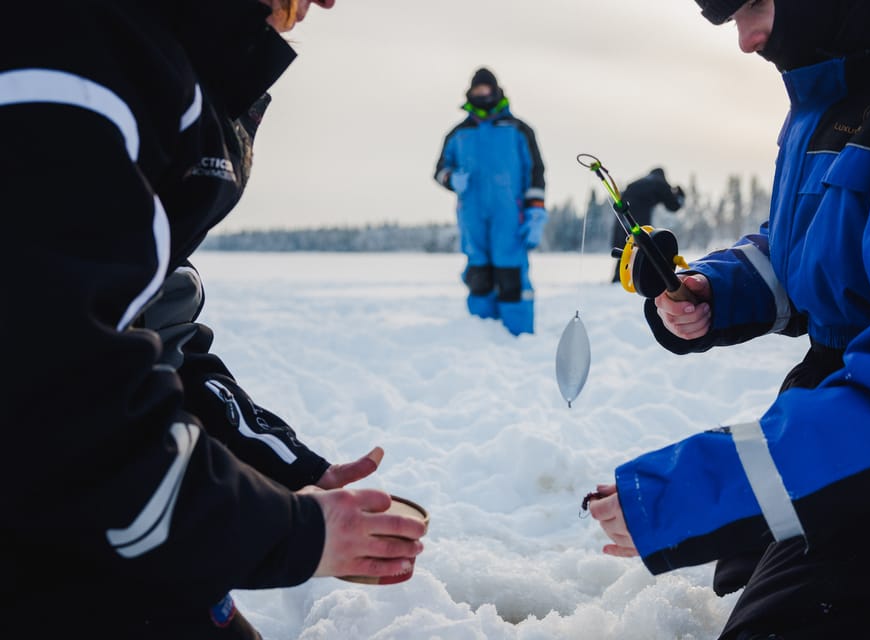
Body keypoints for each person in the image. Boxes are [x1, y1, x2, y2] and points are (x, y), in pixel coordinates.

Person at [2, 1, 426, 638]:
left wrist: (294, 473)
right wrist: (298, 534)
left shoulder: (163, 57)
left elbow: (152, 335)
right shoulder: (73, 55)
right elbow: (62, 407)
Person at [588, 0, 870, 638]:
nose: (745, 39)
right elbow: (821, 246)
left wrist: (685, 493)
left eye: (755, 5)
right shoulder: (836, 83)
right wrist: (715, 289)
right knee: (744, 565)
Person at [434, 67, 548, 336]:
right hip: (472, 216)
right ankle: (482, 334)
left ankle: (517, 335)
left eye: (486, 89)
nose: (482, 94)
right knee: (478, 274)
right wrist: (451, 179)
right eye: (477, 90)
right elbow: (439, 170)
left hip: (510, 215)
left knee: (510, 274)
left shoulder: (519, 130)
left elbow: (536, 173)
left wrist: (536, 212)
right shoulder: (458, 134)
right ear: (470, 93)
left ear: (496, 92)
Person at [609, 167, 685, 283]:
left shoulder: (643, 181)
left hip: (623, 209)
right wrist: (680, 196)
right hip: (638, 212)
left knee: (627, 243)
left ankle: (618, 276)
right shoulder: (660, 183)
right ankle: (643, 277)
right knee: (642, 243)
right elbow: (673, 205)